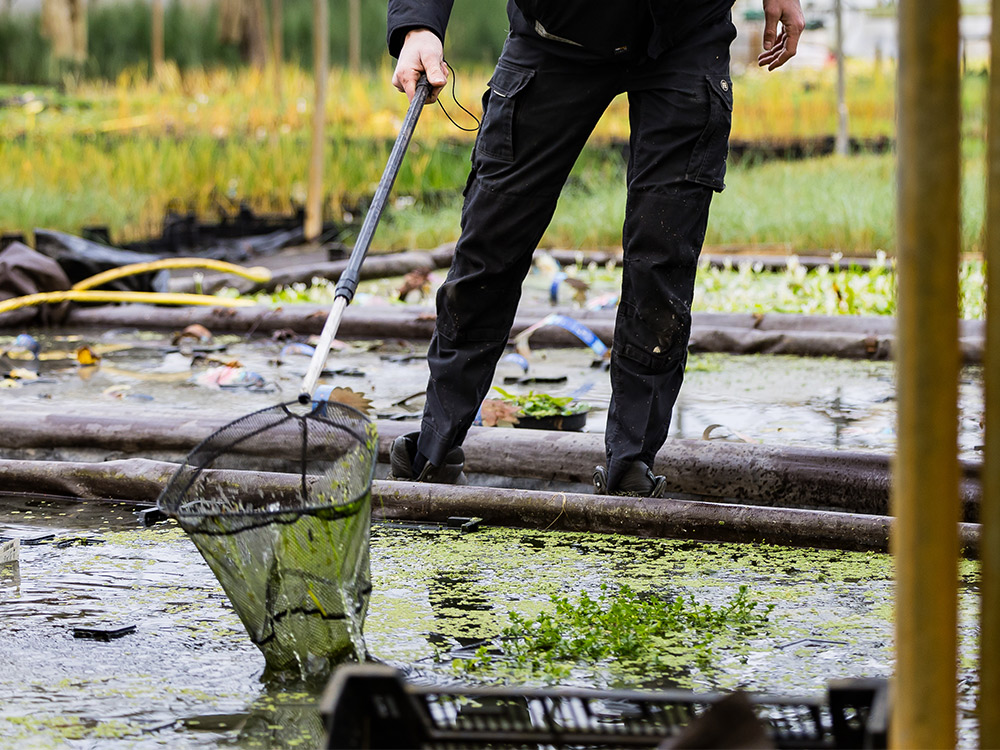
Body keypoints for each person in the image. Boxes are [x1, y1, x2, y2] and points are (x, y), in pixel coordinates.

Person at [386, 0, 805, 496]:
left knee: (661, 261)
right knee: (489, 248)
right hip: (555, 33)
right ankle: (433, 454)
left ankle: (631, 466)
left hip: (684, 31)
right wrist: (418, 24)